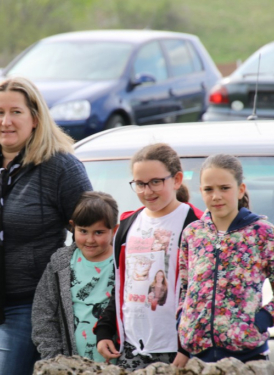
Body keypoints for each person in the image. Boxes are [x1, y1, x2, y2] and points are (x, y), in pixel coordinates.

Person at [0, 76, 92, 375]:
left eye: (16, 112)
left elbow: (91, 233)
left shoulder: (61, 167)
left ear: (35, 118)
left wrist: (57, 286)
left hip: (26, 305)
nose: (6, 121)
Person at [177, 154, 274, 363]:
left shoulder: (262, 233)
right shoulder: (192, 233)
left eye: (224, 188)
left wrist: (262, 320)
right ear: (200, 192)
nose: (216, 196)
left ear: (240, 189)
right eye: (209, 189)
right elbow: (185, 287)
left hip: (247, 357)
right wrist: (183, 322)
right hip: (198, 358)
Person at [95, 143, 202, 370]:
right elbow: (122, 286)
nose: (147, 191)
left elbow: (201, 291)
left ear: (176, 179)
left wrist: (186, 347)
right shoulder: (126, 225)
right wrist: (105, 330)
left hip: (177, 349)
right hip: (132, 347)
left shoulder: (196, 225)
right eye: (140, 184)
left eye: (156, 182)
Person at [32, 191, 118, 362]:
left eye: (99, 232)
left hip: (119, 361)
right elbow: (43, 312)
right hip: (73, 363)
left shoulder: (124, 261)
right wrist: (55, 359)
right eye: (83, 231)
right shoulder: (61, 263)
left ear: (114, 230)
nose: (90, 240)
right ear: (72, 227)